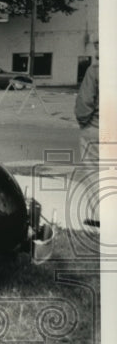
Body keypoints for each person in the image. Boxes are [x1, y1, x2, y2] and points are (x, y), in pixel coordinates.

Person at [73, 35, 99, 226]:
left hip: (97, 128)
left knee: (94, 171)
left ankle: (101, 216)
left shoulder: (96, 70)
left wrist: (84, 122)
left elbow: (84, 104)